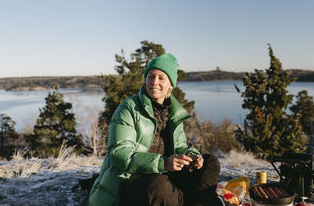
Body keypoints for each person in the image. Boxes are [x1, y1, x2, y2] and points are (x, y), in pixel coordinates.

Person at [89, 53, 222, 206]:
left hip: (165, 176)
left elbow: (180, 146)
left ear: (170, 85)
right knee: (158, 184)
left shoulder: (174, 112)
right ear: (145, 79)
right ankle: (195, 200)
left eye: (161, 78)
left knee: (210, 162)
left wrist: (191, 156)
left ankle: (196, 199)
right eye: (151, 76)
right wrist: (163, 163)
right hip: (131, 181)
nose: (154, 82)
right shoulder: (129, 108)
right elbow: (120, 154)